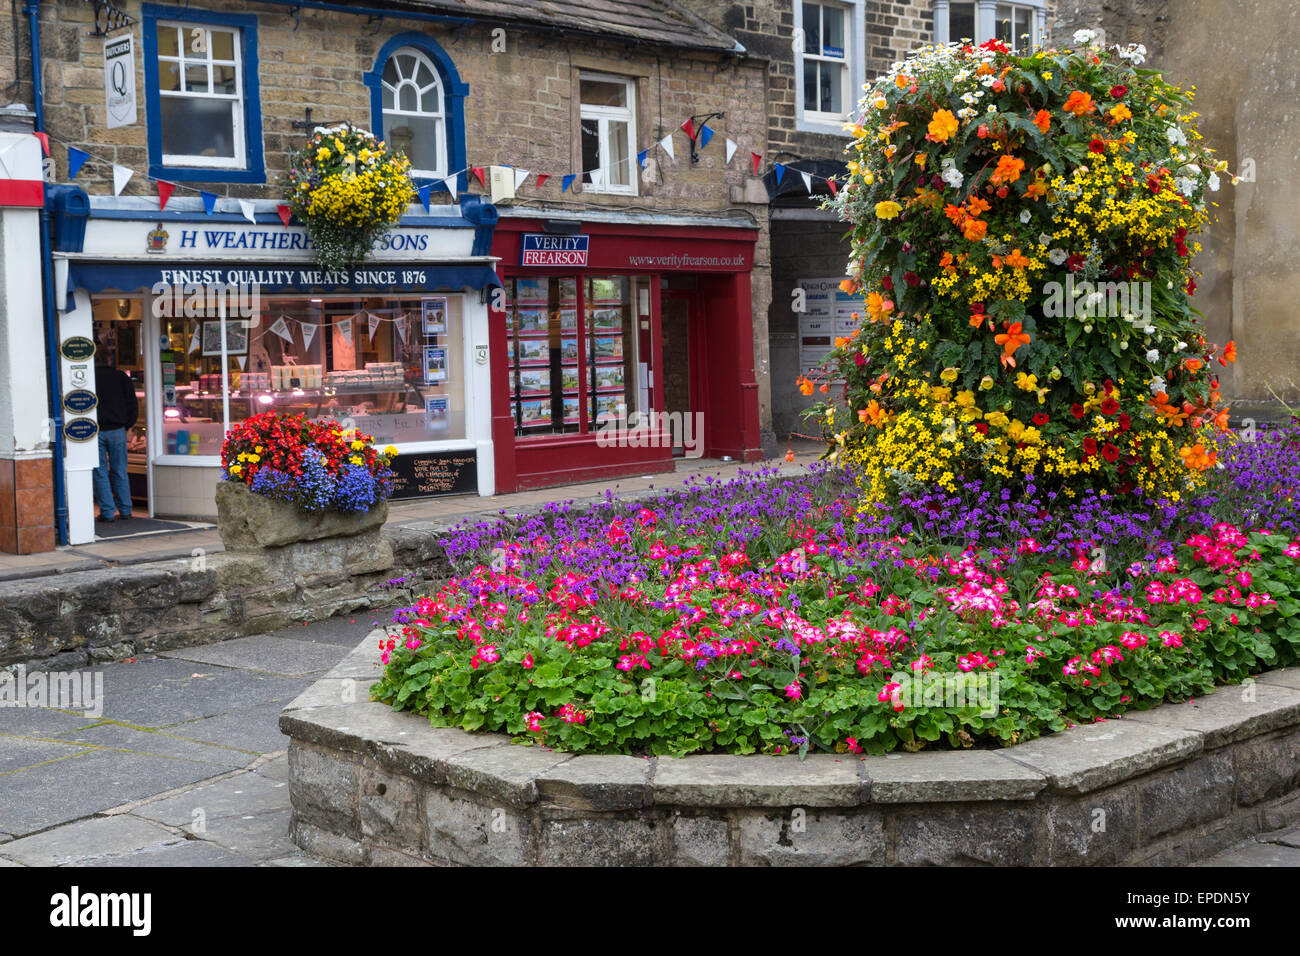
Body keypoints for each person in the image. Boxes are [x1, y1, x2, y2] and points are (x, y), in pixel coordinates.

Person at [92, 345, 138, 522]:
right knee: (120, 471)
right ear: (109, 359)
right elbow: (132, 404)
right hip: (118, 430)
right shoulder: (120, 377)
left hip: (96, 431)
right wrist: (127, 425)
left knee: (100, 472)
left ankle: (107, 511)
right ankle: (126, 510)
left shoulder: (90, 378)